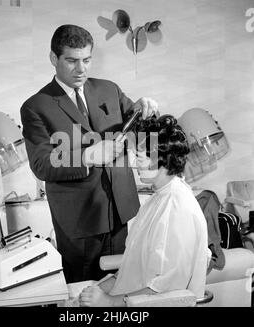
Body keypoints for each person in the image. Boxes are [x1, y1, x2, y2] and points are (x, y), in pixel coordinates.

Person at [20, 24, 158, 283]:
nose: (81, 69)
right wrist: (88, 156)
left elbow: (140, 134)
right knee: (84, 293)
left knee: (118, 286)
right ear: (54, 58)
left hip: (120, 210)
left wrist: (145, 108)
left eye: (86, 60)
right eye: (71, 61)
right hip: (78, 221)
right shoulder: (35, 107)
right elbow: (41, 164)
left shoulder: (110, 90)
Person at [79, 115, 210, 306]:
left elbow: (168, 289)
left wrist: (109, 302)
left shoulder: (178, 207)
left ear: (161, 158)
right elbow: (133, 265)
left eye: (139, 156)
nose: (133, 163)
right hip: (130, 297)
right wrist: (98, 290)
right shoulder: (156, 199)